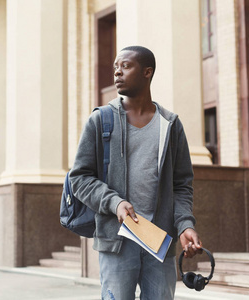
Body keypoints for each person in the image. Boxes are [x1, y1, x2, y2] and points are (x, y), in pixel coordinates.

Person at [69, 45, 203, 300]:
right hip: (117, 242)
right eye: (115, 67)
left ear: (147, 72)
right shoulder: (101, 120)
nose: (117, 72)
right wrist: (114, 203)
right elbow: (80, 178)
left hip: (159, 243)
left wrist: (185, 224)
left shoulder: (170, 125)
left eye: (126, 66)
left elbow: (181, 185)